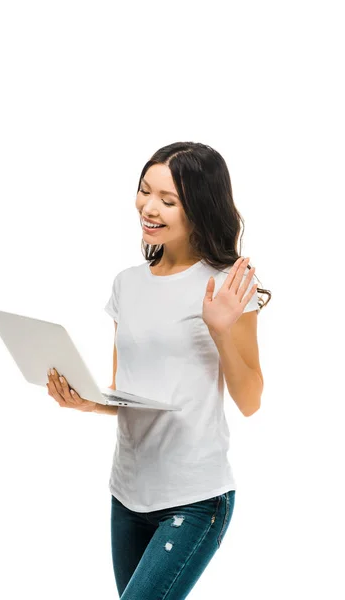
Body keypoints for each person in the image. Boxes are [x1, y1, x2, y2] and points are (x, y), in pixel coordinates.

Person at [47, 141, 271, 599]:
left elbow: (250, 401)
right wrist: (86, 401)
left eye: (168, 201)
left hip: (194, 500)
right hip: (127, 492)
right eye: (144, 191)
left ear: (200, 208)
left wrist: (221, 329)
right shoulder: (127, 284)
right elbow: (127, 395)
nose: (148, 208)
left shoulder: (226, 285)